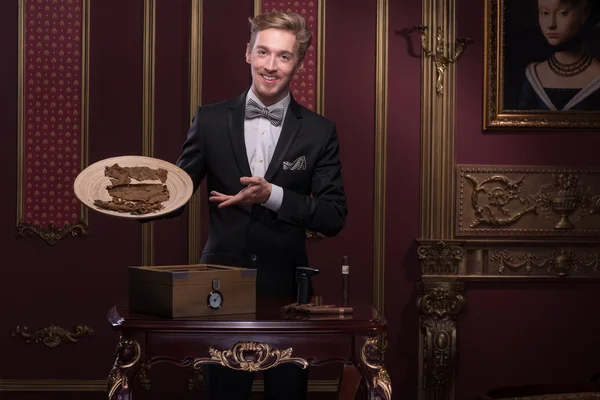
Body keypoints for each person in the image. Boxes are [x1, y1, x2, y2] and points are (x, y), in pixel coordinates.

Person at [173, 10, 347, 400]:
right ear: (247, 53)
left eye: (284, 56)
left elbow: (334, 214)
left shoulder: (320, 131)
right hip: (219, 289)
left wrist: (272, 196)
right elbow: (178, 194)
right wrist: (137, 200)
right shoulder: (210, 120)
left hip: (287, 289)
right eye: (264, 53)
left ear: (298, 63)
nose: (271, 66)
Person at [517, 0, 600, 110]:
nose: (551, 24)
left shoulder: (597, 76)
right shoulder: (533, 75)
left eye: (563, 13)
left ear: (585, 13)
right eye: (545, 13)